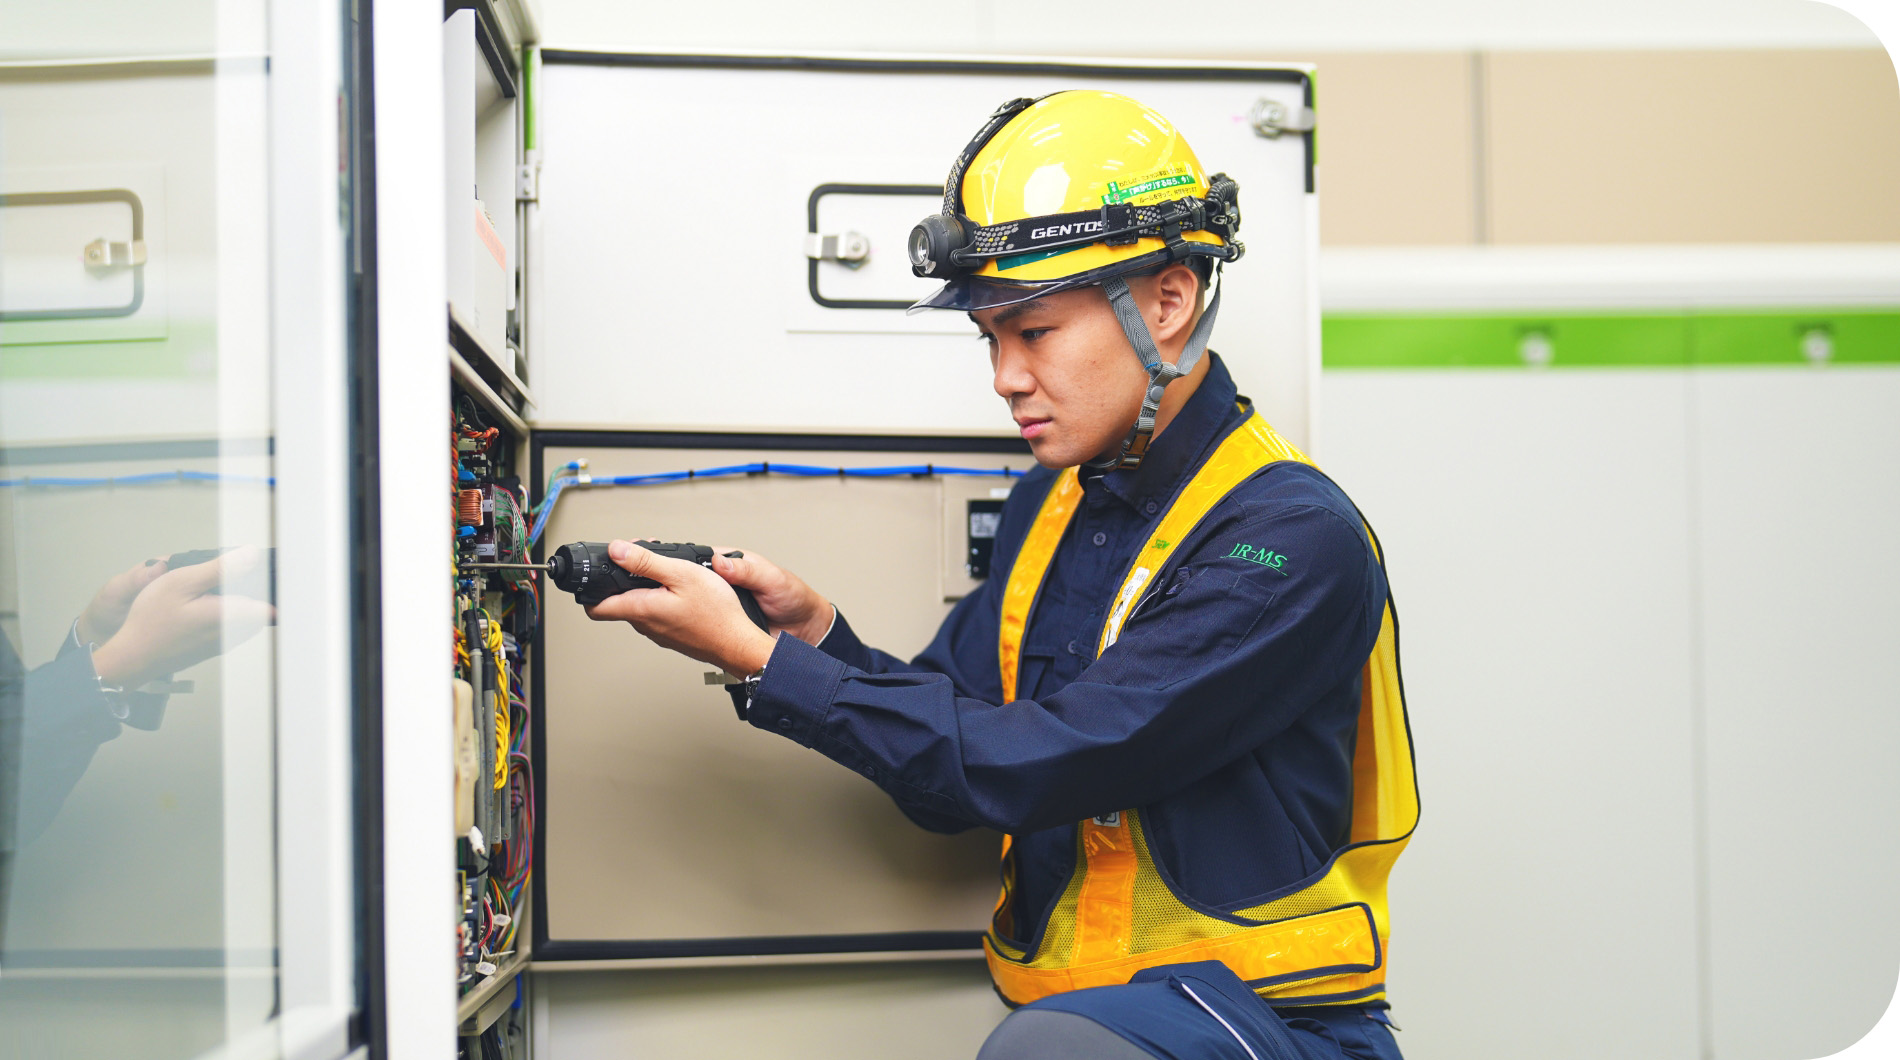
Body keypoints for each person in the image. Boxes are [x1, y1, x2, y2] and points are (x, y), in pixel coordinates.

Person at [584, 91, 1416, 1060]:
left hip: (1271, 1027)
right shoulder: (1048, 506)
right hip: (1095, 1025)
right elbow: (953, 777)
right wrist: (813, 639)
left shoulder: (1289, 540)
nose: (1004, 377)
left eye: (1034, 332)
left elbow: (1044, 761)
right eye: (990, 338)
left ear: (1169, 301)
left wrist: (771, 666)